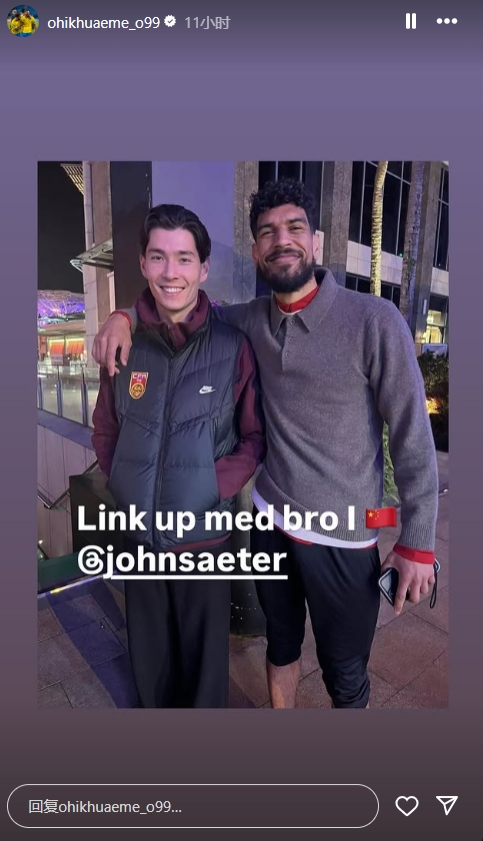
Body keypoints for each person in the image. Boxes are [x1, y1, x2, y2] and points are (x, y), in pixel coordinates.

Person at [92, 179, 438, 710]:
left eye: (294, 227)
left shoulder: (374, 321)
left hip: (344, 535)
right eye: (268, 232)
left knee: (346, 674)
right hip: (271, 522)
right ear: (255, 250)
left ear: (316, 241)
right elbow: (181, 306)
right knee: (280, 647)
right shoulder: (249, 319)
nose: (282, 240)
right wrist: (123, 316)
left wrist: (417, 543)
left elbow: (414, 434)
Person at [91, 204, 265, 708]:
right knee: (150, 668)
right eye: (159, 257)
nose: (171, 272)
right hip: (139, 539)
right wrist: (127, 485)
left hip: (203, 542)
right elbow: (106, 429)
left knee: (204, 675)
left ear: (203, 268)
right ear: (143, 263)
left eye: (184, 258)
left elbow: (254, 438)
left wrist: (207, 487)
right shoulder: (123, 346)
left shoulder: (232, 347)